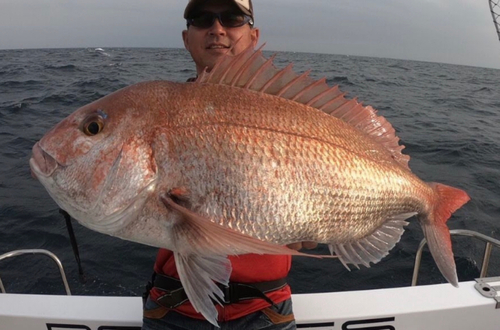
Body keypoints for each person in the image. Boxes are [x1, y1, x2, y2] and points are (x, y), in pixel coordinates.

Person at [142, 1, 316, 329]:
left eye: (233, 18)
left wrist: (323, 213)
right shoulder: (156, 113)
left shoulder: (295, 111)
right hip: (172, 310)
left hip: (267, 309)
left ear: (254, 34)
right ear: (186, 36)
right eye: (202, 18)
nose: (217, 28)